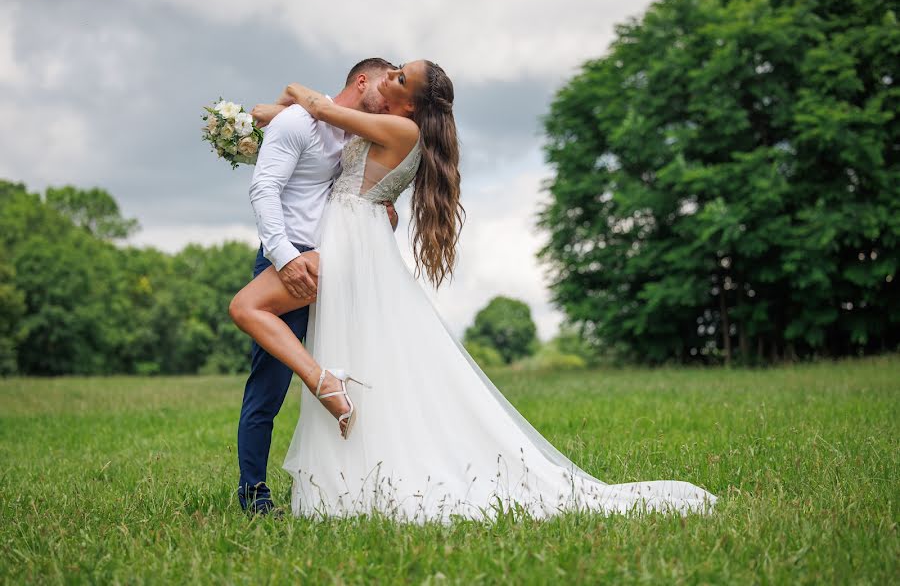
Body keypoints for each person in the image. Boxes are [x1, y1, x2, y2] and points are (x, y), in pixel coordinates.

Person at [230, 60, 718, 521]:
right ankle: (336, 449)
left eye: (399, 78)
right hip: (348, 234)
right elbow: (307, 127)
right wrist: (267, 118)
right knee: (350, 350)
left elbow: (320, 110)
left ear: (410, 107)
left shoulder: (402, 130)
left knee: (248, 307)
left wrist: (293, 91)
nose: (389, 78)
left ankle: (325, 388)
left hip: (344, 240)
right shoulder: (390, 128)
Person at [235, 58, 398, 515]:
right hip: (291, 261)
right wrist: (284, 258)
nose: (392, 101)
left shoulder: (357, 130)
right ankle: (254, 494)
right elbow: (264, 189)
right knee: (268, 387)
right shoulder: (300, 121)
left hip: (339, 264)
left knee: (367, 366)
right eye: (388, 87)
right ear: (363, 81)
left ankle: (361, 483)